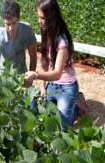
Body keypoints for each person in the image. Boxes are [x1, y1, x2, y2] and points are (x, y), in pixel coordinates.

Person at [25, 0, 79, 131]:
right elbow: (46, 64)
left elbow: (56, 73)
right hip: (51, 85)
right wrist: (43, 87)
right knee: (46, 122)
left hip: (66, 89)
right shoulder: (47, 33)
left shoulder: (62, 41)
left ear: (52, 18)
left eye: (43, 18)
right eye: (38, 17)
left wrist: (36, 75)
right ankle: (74, 106)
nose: (39, 21)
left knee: (63, 130)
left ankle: (76, 106)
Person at [0, 0, 37, 75]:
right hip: (5, 77)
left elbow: (33, 57)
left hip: (22, 75)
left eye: (14, 23)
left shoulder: (27, 31)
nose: (11, 28)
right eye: (7, 24)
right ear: (3, 20)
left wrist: (31, 76)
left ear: (19, 19)